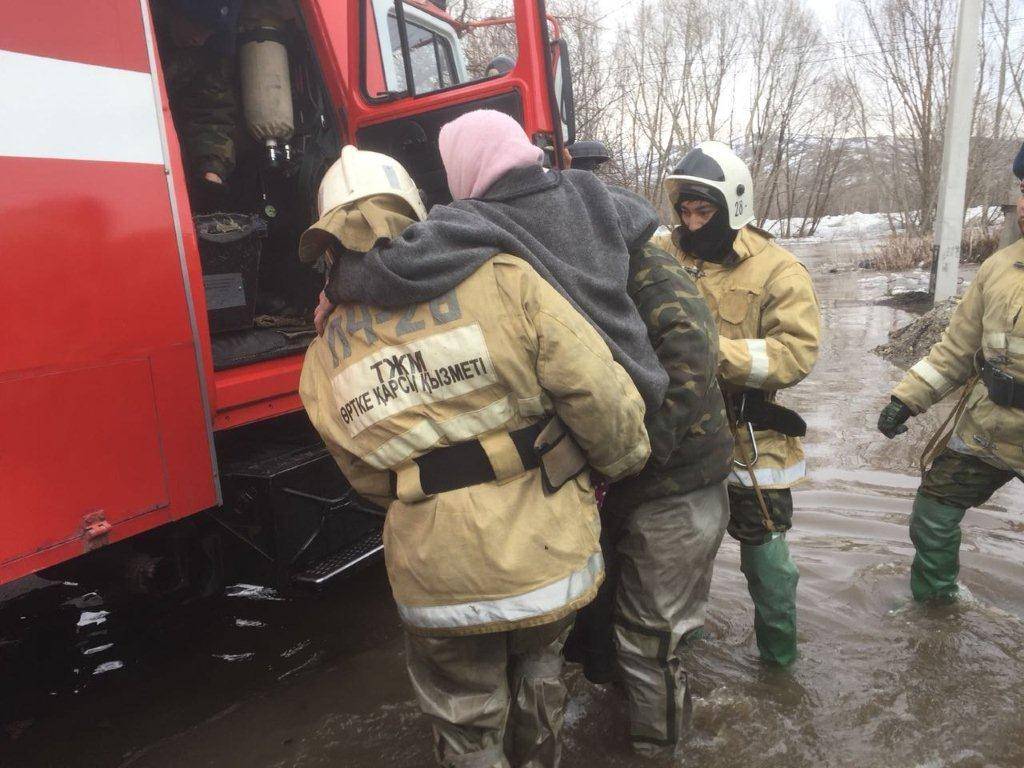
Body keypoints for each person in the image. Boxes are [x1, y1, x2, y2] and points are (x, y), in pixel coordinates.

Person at [299, 146, 651, 768]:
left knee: (464, 721)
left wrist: (426, 493)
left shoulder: (323, 353)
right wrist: (621, 463)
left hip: (435, 570)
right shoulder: (504, 277)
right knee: (541, 690)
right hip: (545, 552)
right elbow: (598, 393)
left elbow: (362, 474)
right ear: (416, 212)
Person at [561, 141, 732, 755]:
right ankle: (635, 720)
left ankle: (660, 750)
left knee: (650, 637)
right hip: (633, 482)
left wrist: (627, 462)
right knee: (608, 628)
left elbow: (688, 366)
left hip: (678, 482)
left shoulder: (651, 273)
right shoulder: (594, 272)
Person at [654, 141, 821, 668]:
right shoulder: (661, 253)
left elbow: (795, 355)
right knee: (678, 555)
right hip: (681, 434)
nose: (692, 221)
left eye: (705, 211)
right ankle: (679, 660)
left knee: (767, 562)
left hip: (753, 442)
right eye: (685, 210)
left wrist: (709, 355)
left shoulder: (780, 271)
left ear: (733, 209)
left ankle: (780, 666)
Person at [877, 168, 1024, 603]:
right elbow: (956, 350)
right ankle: (937, 609)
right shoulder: (999, 266)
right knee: (933, 511)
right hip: (991, 426)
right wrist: (906, 399)